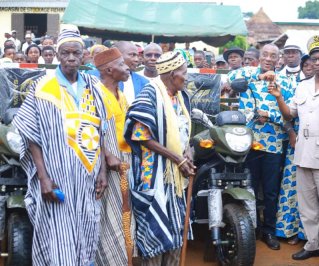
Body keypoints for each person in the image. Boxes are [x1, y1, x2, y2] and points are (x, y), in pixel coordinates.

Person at [12, 24, 108, 265]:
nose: (71, 58)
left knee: (87, 232)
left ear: (84, 54)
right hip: (56, 176)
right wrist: (43, 177)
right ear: (56, 54)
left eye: (76, 52)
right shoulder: (42, 87)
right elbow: (31, 135)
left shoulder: (95, 88)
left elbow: (102, 132)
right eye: (66, 53)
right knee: (56, 235)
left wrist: (103, 171)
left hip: (88, 176)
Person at [268, 35, 319, 266]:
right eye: (314, 59)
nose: (317, 63)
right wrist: (278, 98)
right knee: (307, 205)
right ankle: (313, 244)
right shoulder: (302, 87)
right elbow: (289, 115)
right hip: (303, 153)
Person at [124, 51, 196, 265]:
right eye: (184, 72)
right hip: (153, 172)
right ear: (172, 74)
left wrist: (187, 152)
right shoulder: (149, 94)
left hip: (175, 175)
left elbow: (184, 132)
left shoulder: (181, 97)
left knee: (176, 225)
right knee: (155, 228)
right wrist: (177, 159)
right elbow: (142, 137)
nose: (187, 77)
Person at [228, 43, 293, 250]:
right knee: (249, 188)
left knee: (271, 191)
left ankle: (269, 231)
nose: (268, 58)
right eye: (265, 54)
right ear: (259, 56)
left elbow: (290, 114)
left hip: (273, 144)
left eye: (273, 56)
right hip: (247, 142)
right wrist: (259, 77)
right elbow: (229, 81)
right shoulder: (247, 73)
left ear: (278, 59)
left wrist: (270, 116)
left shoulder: (287, 82)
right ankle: (250, 228)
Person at [92, 48, 134, 265]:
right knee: (107, 218)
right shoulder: (95, 93)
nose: (127, 67)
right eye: (121, 64)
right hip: (105, 165)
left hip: (125, 163)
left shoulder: (122, 95)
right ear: (109, 69)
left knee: (122, 218)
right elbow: (91, 131)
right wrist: (107, 156)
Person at [275, 43, 305, 245]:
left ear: (301, 56)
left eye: (294, 52)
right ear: (283, 56)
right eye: (287, 52)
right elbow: (279, 108)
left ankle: (303, 233)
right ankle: (285, 230)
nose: (291, 55)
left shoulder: (307, 78)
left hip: (303, 139)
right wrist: (290, 131)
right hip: (277, 137)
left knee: (302, 185)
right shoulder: (276, 77)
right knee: (283, 186)